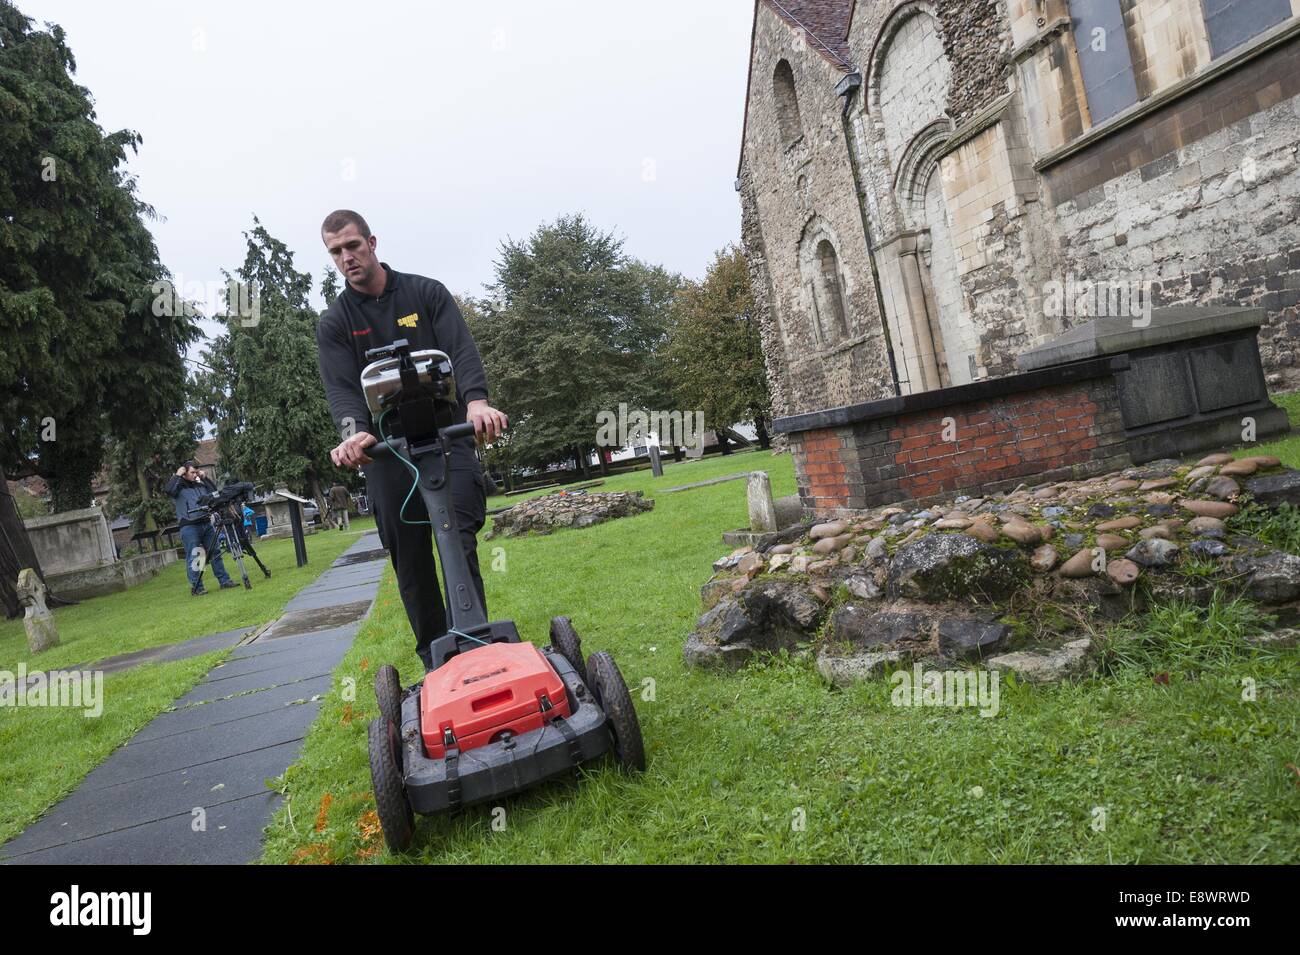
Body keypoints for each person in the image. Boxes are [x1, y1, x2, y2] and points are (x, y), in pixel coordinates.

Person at [315, 209, 508, 670]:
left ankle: (475, 642)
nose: (346, 258)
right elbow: (342, 389)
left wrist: (477, 403)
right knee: (411, 555)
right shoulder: (336, 323)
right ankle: (437, 660)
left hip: (446, 433)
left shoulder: (426, 293)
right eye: (336, 252)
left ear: (372, 242)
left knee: (458, 537)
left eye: (353, 246)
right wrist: (352, 434)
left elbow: (461, 350)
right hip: (386, 449)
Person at [163, 461, 238, 595]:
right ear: (185, 472)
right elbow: (168, 490)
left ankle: (224, 581)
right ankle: (198, 587)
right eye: (192, 472)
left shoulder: (199, 485)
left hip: (206, 523)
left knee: (215, 552)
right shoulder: (178, 487)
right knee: (197, 555)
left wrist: (205, 477)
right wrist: (178, 475)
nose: (195, 475)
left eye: (196, 472)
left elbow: (215, 493)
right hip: (189, 525)